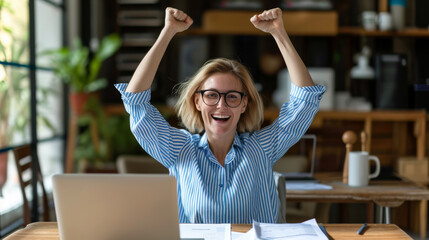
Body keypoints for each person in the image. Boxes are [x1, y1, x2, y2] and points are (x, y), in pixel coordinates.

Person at [115, 7, 325, 224]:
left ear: (244, 104)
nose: (221, 105)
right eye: (212, 95)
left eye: (232, 97)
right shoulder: (180, 149)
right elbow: (135, 102)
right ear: (197, 101)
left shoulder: (261, 148)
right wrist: (167, 32)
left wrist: (278, 32)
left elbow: (305, 101)